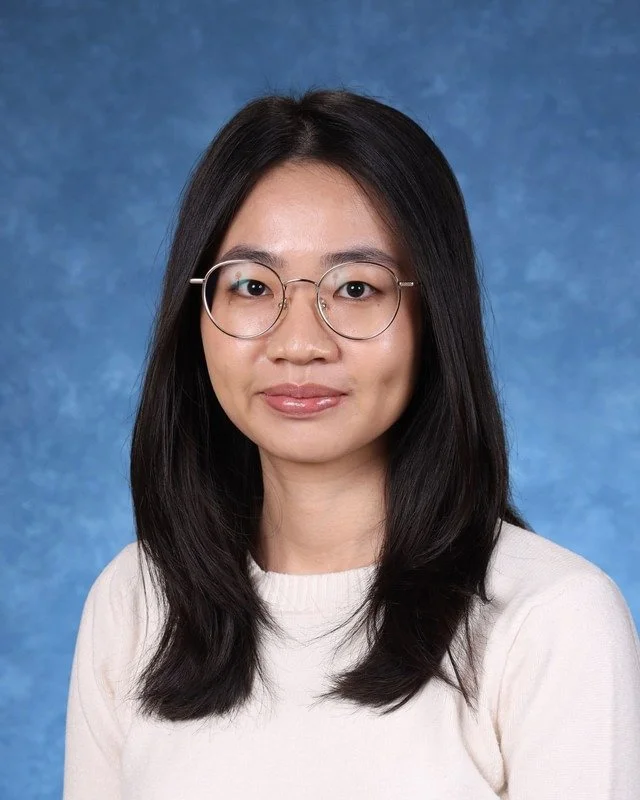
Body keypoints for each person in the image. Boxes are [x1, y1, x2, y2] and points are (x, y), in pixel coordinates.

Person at [63, 88, 640, 799]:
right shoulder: (136, 599)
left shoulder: (552, 618)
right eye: (250, 285)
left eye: (357, 289)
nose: (299, 343)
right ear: (196, 316)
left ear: (434, 317)